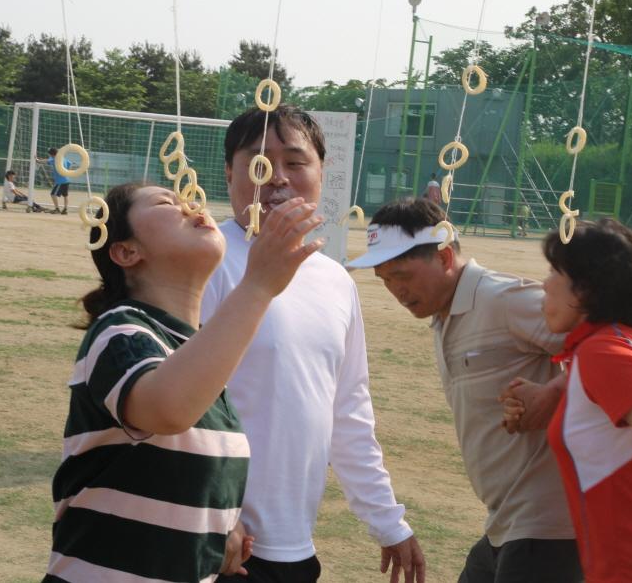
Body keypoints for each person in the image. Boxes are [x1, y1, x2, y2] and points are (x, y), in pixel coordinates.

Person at [45, 182, 325, 582]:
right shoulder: (119, 331)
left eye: (190, 199)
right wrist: (258, 285)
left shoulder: (194, 354)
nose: (191, 205)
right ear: (126, 252)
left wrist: (218, 529)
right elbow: (169, 409)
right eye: (167, 202)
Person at [202, 105, 425, 583]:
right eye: (258, 163)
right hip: (216, 544)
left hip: (293, 544)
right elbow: (172, 406)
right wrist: (210, 513)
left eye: (296, 162)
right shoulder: (204, 260)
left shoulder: (334, 279)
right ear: (229, 173)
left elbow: (348, 410)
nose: (277, 178)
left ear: (323, 172)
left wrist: (387, 520)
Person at [348, 197, 581, 583]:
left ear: (443, 257)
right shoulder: (443, 314)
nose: (396, 290)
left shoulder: (501, 299)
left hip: (549, 526)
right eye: (385, 280)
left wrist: (555, 392)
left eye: (403, 275)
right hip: (503, 524)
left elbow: (614, 343)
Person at [500, 218, 632, 583]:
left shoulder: (604, 352)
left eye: (554, 272)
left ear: (585, 289)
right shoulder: (619, 343)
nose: (544, 284)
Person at [45, 147, 70, 214]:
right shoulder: (63, 158)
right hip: (67, 180)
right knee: (65, 195)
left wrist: (37, 160)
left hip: (60, 181)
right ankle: (65, 209)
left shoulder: (54, 159)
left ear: (52, 154)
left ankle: (57, 209)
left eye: (50, 154)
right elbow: (69, 164)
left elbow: (46, 161)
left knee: (53, 194)